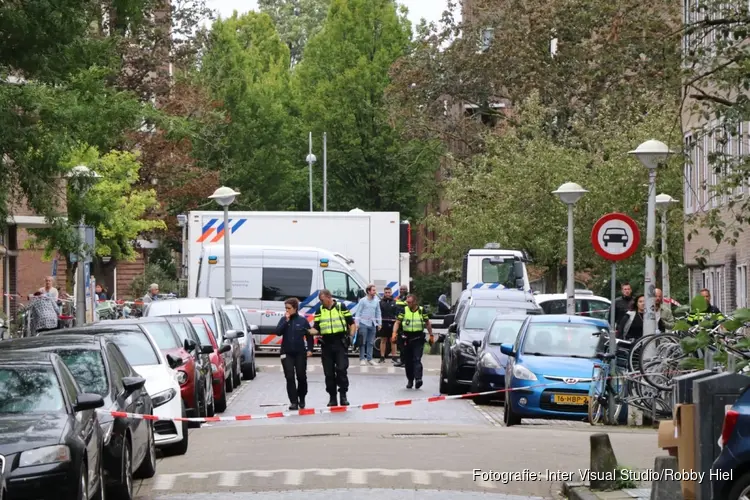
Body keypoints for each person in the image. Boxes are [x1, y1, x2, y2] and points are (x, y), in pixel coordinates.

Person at [312, 289, 357, 407]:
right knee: (329, 373)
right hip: (326, 343)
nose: (321, 302)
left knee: (341, 369)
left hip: (340, 342)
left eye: (322, 300)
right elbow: (316, 328)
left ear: (329, 297)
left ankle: (343, 395)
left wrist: (351, 336)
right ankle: (332, 397)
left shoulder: (341, 307)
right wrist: (306, 331)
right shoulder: (319, 310)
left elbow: (352, 323)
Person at [276, 298, 314, 410]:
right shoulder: (284, 320)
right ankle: (293, 401)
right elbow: (278, 332)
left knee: (301, 376)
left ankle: (301, 398)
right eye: (285, 308)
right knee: (289, 377)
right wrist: (286, 321)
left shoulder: (302, 321)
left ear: (295, 308)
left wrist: (310, 349)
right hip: (286, 353)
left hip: (300, 353)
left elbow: (309, 336)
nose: (287, 310)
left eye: (289, 308)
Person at [392, 293, 434, 389]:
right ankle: (410, 380)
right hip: (406, 338)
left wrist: (431, 335)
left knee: (417, 359)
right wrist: (394, 333)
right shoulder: (404, 310)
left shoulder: (421, 311)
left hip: (418, 338)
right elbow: (398, 322)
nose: (408, 304)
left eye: (410, 302)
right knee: (408, 361)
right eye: (407, 302)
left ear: (415, 302)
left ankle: (418, 379)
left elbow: (427, 323)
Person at [354, 284, 381, 366]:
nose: (375, 292)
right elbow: (358, 312)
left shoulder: (376, 301)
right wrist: (357, 323)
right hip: (363, 323)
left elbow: (378, 312)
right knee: (362, 342)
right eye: (373, 290)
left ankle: (370, 359)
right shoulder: (362, 301)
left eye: (375, 290)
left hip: (372, 324)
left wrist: (379, 323)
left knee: (371, 342)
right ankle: (362, 358)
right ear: (368, 291)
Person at [378, 286, 399, 363]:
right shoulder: (380, 302)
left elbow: (397, 313)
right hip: (383, 324)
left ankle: (394, 357)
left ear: (391, 293)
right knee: (383, 340)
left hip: (393, 324)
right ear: (384, 293)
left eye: (389, 292)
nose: (387, 294)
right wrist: (378, 324)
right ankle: (382, 357)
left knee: (393, 340)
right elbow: (378, 313)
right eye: (386, 292)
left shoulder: (395, 302)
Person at [392, 285, 408, 367]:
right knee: (400, 343)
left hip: (406, 324)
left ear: (407, 290)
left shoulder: (408, 298)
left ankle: (406, 361)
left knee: (406, 344)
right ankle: (402, 361)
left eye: (403, 289)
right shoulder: (398, 298)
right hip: (399, 323)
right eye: (401, 289)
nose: (402, 290)